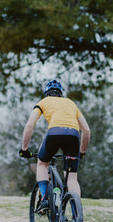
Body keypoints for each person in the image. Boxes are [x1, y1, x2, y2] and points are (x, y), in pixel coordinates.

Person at [19, 79, 91, 210]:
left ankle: (45, 199)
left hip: (54, 133)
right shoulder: (70, 103)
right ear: (61, 95)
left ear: (46, 94)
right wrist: (82, 152)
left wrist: (24, 149)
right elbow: (86, 131)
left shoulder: (43, 102)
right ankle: (77, 215)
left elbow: (29, 125)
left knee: (42, 164)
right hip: (74, 136)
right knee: (72, 178)